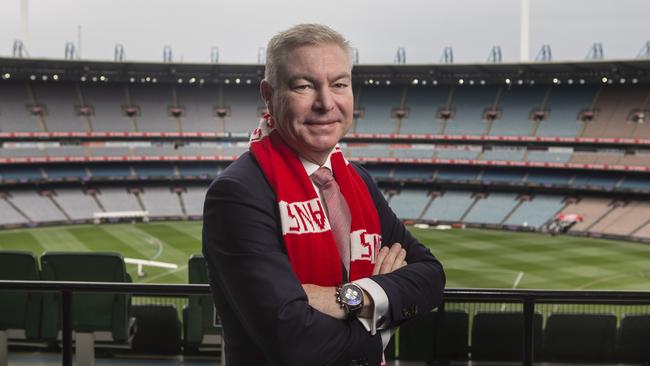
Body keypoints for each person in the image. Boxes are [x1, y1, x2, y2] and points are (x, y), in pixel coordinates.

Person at [202, 24, 445, 366]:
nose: (326, 103)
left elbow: (432, 275)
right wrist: (381, 316)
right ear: (269, 96)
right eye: (303, 86)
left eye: (339, 84)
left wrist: (355, 297)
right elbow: (292, 340)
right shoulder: (238, 193)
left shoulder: (357, 180)